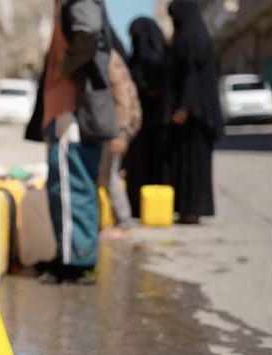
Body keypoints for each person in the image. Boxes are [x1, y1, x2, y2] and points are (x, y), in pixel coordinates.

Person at [26, 0, 110, 284]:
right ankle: (70, 255)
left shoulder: (79, 3)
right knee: (66, 186)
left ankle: (74, 262)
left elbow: (87, 38)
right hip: (66, 112)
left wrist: (62, 71)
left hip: (70, 112)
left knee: (70, 187)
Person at [167, 0, 223, 224]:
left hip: (194, 115)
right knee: (196, 163)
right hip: (201, 114)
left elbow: (191, 77)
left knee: (192, 163)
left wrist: (184, 107)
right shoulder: (198, 35)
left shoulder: (189, 39)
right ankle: (192, 209)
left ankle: (191, 209)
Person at [124, 17, 170, 216]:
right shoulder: (166, 58)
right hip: (160, 125)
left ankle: (138, 206)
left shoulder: (138, 62)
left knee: (139, 167)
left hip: (142, 126)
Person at [99, 29, 142, 237]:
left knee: (109, 173)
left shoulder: (109, 59)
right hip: (116, 124)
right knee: (105, 173)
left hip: (119, 125)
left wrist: (120, 133)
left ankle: (124, 223)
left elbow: (122, 97)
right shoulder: (108, 56)